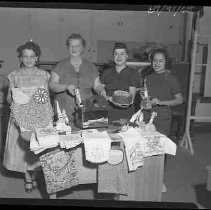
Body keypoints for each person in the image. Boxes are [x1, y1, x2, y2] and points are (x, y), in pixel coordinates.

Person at [3, 41, 52, 193]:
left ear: (37, 58)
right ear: (21, 58)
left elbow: (47, 98)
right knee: (23, 149)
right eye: (25, 56)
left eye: (32, 56)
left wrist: (49, 117)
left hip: (39, 117)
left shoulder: (44, 75)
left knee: (38, 149)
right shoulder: (14, 76)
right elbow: (8, 99)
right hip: (20, 116)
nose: (29, 59)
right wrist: (16, 100)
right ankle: (27, 177)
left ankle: (35, 174)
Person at [49, 33, 101, 123]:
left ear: (83, 48)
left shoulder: (91, 67)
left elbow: (97, 85)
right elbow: (52, 85)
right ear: (68, 48)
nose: (74, 49)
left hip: (86, 112)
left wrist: (102, 92)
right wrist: (65, 87)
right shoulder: (59, 66)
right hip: (63, 112)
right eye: (71, 46)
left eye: (77, 46)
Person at [141, 48, 183, 136]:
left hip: (162, 119)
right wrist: (144, 100)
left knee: (160, 146)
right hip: (146, 117)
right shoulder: (147, 78)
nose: (157, 63)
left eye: (160, 61)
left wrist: (161, 102)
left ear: (166, 62)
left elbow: (179, 100)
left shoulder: (171, 79)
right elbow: (145, 100)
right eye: (155, 60)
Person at [99, 42, 139, 122]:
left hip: (126, 114)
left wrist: (119, 100)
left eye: (122, 54)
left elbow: (131, 96)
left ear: (127, 56)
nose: (119, 57)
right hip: (107, 113)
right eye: (116, 54)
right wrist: (109, 98)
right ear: (113, 56)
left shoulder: (133, 73)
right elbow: (100, 91)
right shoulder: (106, 72)